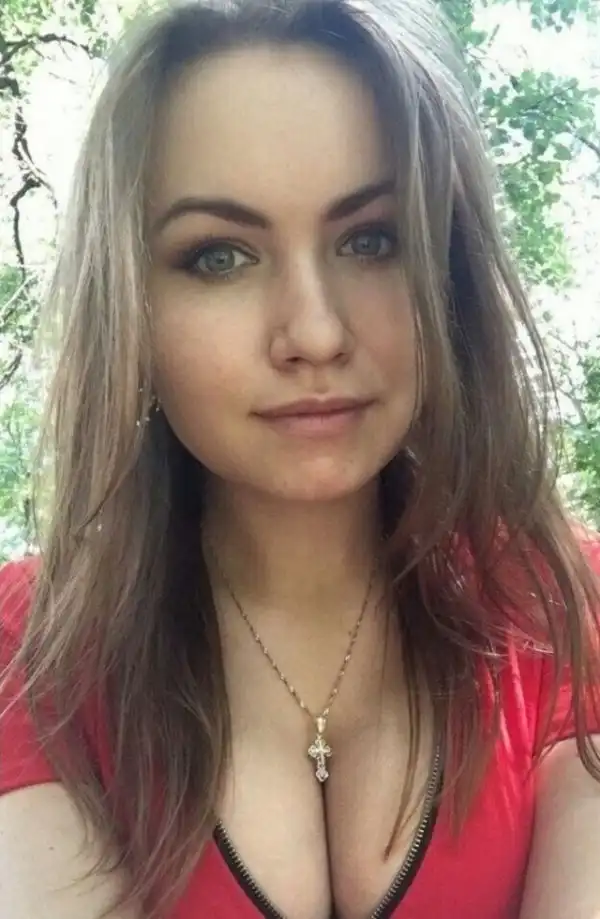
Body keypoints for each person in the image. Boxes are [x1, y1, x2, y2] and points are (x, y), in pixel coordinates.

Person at [1, 0, 600, 917]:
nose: (315, 332)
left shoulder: (564, 611)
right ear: (131, 310)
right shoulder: (32, 658)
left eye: (371, 239)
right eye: (220, 257)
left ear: (448, 276)